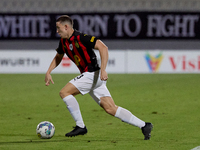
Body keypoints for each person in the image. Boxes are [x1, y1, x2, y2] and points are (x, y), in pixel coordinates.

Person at [45, 15, 153, 140]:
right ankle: (144, 125)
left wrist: (103, 69)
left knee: (64, 92)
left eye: (58, 28)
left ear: (66, 26)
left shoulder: (82, 38)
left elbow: (103, 47)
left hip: (92, 74)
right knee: (110, 108)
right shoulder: (63, 42)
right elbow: (58, 56)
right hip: (93, 78)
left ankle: (81, 126)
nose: (57, 31)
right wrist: (49, 71)